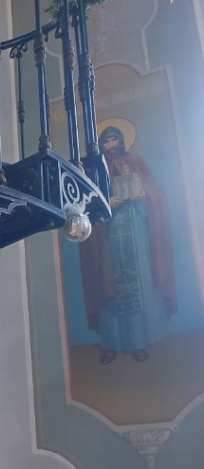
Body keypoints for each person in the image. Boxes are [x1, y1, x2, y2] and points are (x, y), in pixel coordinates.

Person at [78, 123, 176, 364]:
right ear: (101, 146)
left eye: (114, 140)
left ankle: (138, 342)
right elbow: (85, 204)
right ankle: (112, 344)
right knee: (109, 287)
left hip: (136, 234)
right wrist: (109, 204)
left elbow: (157, 194)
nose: (111, 145)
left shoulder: (136, 162)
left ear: (122, 142)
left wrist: (143, 197)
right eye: (106, 141)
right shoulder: (95, 170)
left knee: (138, 287)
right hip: (106, 238)